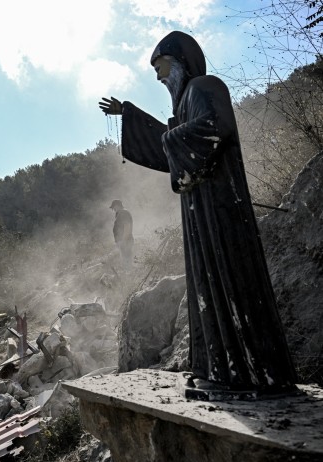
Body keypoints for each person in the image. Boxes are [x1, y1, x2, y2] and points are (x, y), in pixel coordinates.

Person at [99, 31, 297, 397]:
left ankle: (254, 374)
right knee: (208, 285)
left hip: (222, 206)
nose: (158, 78)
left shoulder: (206, 86)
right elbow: (166, 142)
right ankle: (218, 369)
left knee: (232, 280)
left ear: (181, 61)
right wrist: (128, 113)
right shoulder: (185, 103)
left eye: (160, 68)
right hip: (199, 213)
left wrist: (172, 140)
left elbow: (214, 129)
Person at [110, 200, 133, 268]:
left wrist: (124, 240)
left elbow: (127, 226)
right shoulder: (122, 213)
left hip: (125, 241)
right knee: (125, 261)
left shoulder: (123, 213)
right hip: (124, 240)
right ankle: (126, 275)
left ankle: (127, 276)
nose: (113, 210)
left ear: (117, 206)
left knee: (126, 262)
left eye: (113, 208)